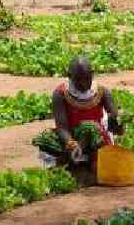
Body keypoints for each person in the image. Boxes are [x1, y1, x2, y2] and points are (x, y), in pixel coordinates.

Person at [50, 56, 123, 184]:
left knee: (102, 170)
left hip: (98, 139)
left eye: (87, 79)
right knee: (76, 168)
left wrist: (117, 122)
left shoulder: (102, 92)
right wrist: (71, 143)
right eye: (78, 79)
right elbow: (61, 127)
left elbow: (115, 123)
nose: (83, 84)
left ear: (92, 75)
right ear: (69, 76)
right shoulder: (60, 94)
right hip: (73, 139)